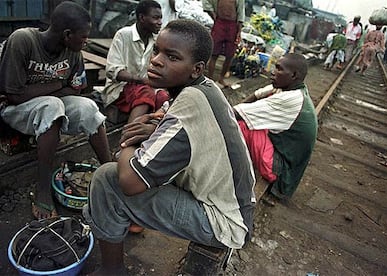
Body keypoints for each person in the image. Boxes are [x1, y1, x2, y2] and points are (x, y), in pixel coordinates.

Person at [82, 19, 256, 275]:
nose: (156, 60)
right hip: (235, 204)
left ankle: (112, 270)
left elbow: (130, 183)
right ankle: (120, 222)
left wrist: (128, 142)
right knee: (139, 165)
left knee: (108, 179)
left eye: (172, 57)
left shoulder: (189, 103)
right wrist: (153, 130)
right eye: (157, 51)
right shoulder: (205, 88)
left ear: (196, 69)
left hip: (224, 222)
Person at [0, 1, 112, 219]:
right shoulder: (24, 40)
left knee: (89, 107)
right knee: (53, 105)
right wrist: (59, 86)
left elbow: (77, 90)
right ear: (67, 34)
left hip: (47, 105)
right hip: (13, 111)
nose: (87, 41)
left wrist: (46, 90)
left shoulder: (73, 52)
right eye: (84, 36)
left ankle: (110, 173)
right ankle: (43, 190)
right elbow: (13, 94)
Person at [233, 53, 318, 201]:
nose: (273, 71)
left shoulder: (290, 99)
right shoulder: (294, 90)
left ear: (293, 75)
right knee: (253, 116)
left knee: (244, 125)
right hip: (283, 164)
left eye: (279, 69)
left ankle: (229, 166)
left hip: (280, 173)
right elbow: (256, 95)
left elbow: (236, 113)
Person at [101, 0, 169, 124]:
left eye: (160, 18)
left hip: (145, 88)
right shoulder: (123, 35)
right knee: (146, 93)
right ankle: (128, 137)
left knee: (164, 97)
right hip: (120, 89)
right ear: (142, 18)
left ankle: (152, 134)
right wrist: (142, 80)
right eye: (155, 18)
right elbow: (113, 71)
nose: (160, 23)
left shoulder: (156, 40)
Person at [202, 0, 245, 88]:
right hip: (220, 23)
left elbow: (241, 12)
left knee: (230, 55)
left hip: (233, 25)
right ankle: (209, 79)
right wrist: (214, 16)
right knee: (214, 54)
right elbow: (206, 2)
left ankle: (221, 79)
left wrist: (239, 32)